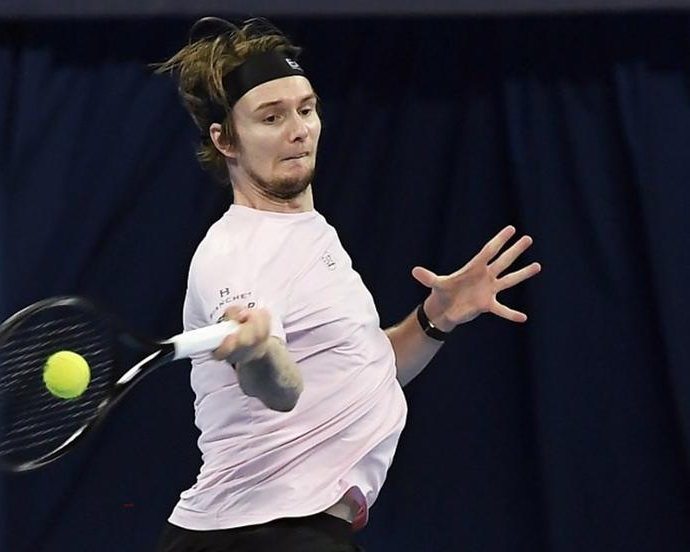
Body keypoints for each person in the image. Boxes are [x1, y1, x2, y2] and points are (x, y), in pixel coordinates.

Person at [154, 17, 541, 552]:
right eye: (271, 117)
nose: (299, 130)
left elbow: (359, 372)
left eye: (306, 109)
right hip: (261, 535)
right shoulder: (236, 253)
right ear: (224, 139)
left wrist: (436, 318)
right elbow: (280, 390)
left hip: (286, 531)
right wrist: (259, 353)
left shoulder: (306, 233)